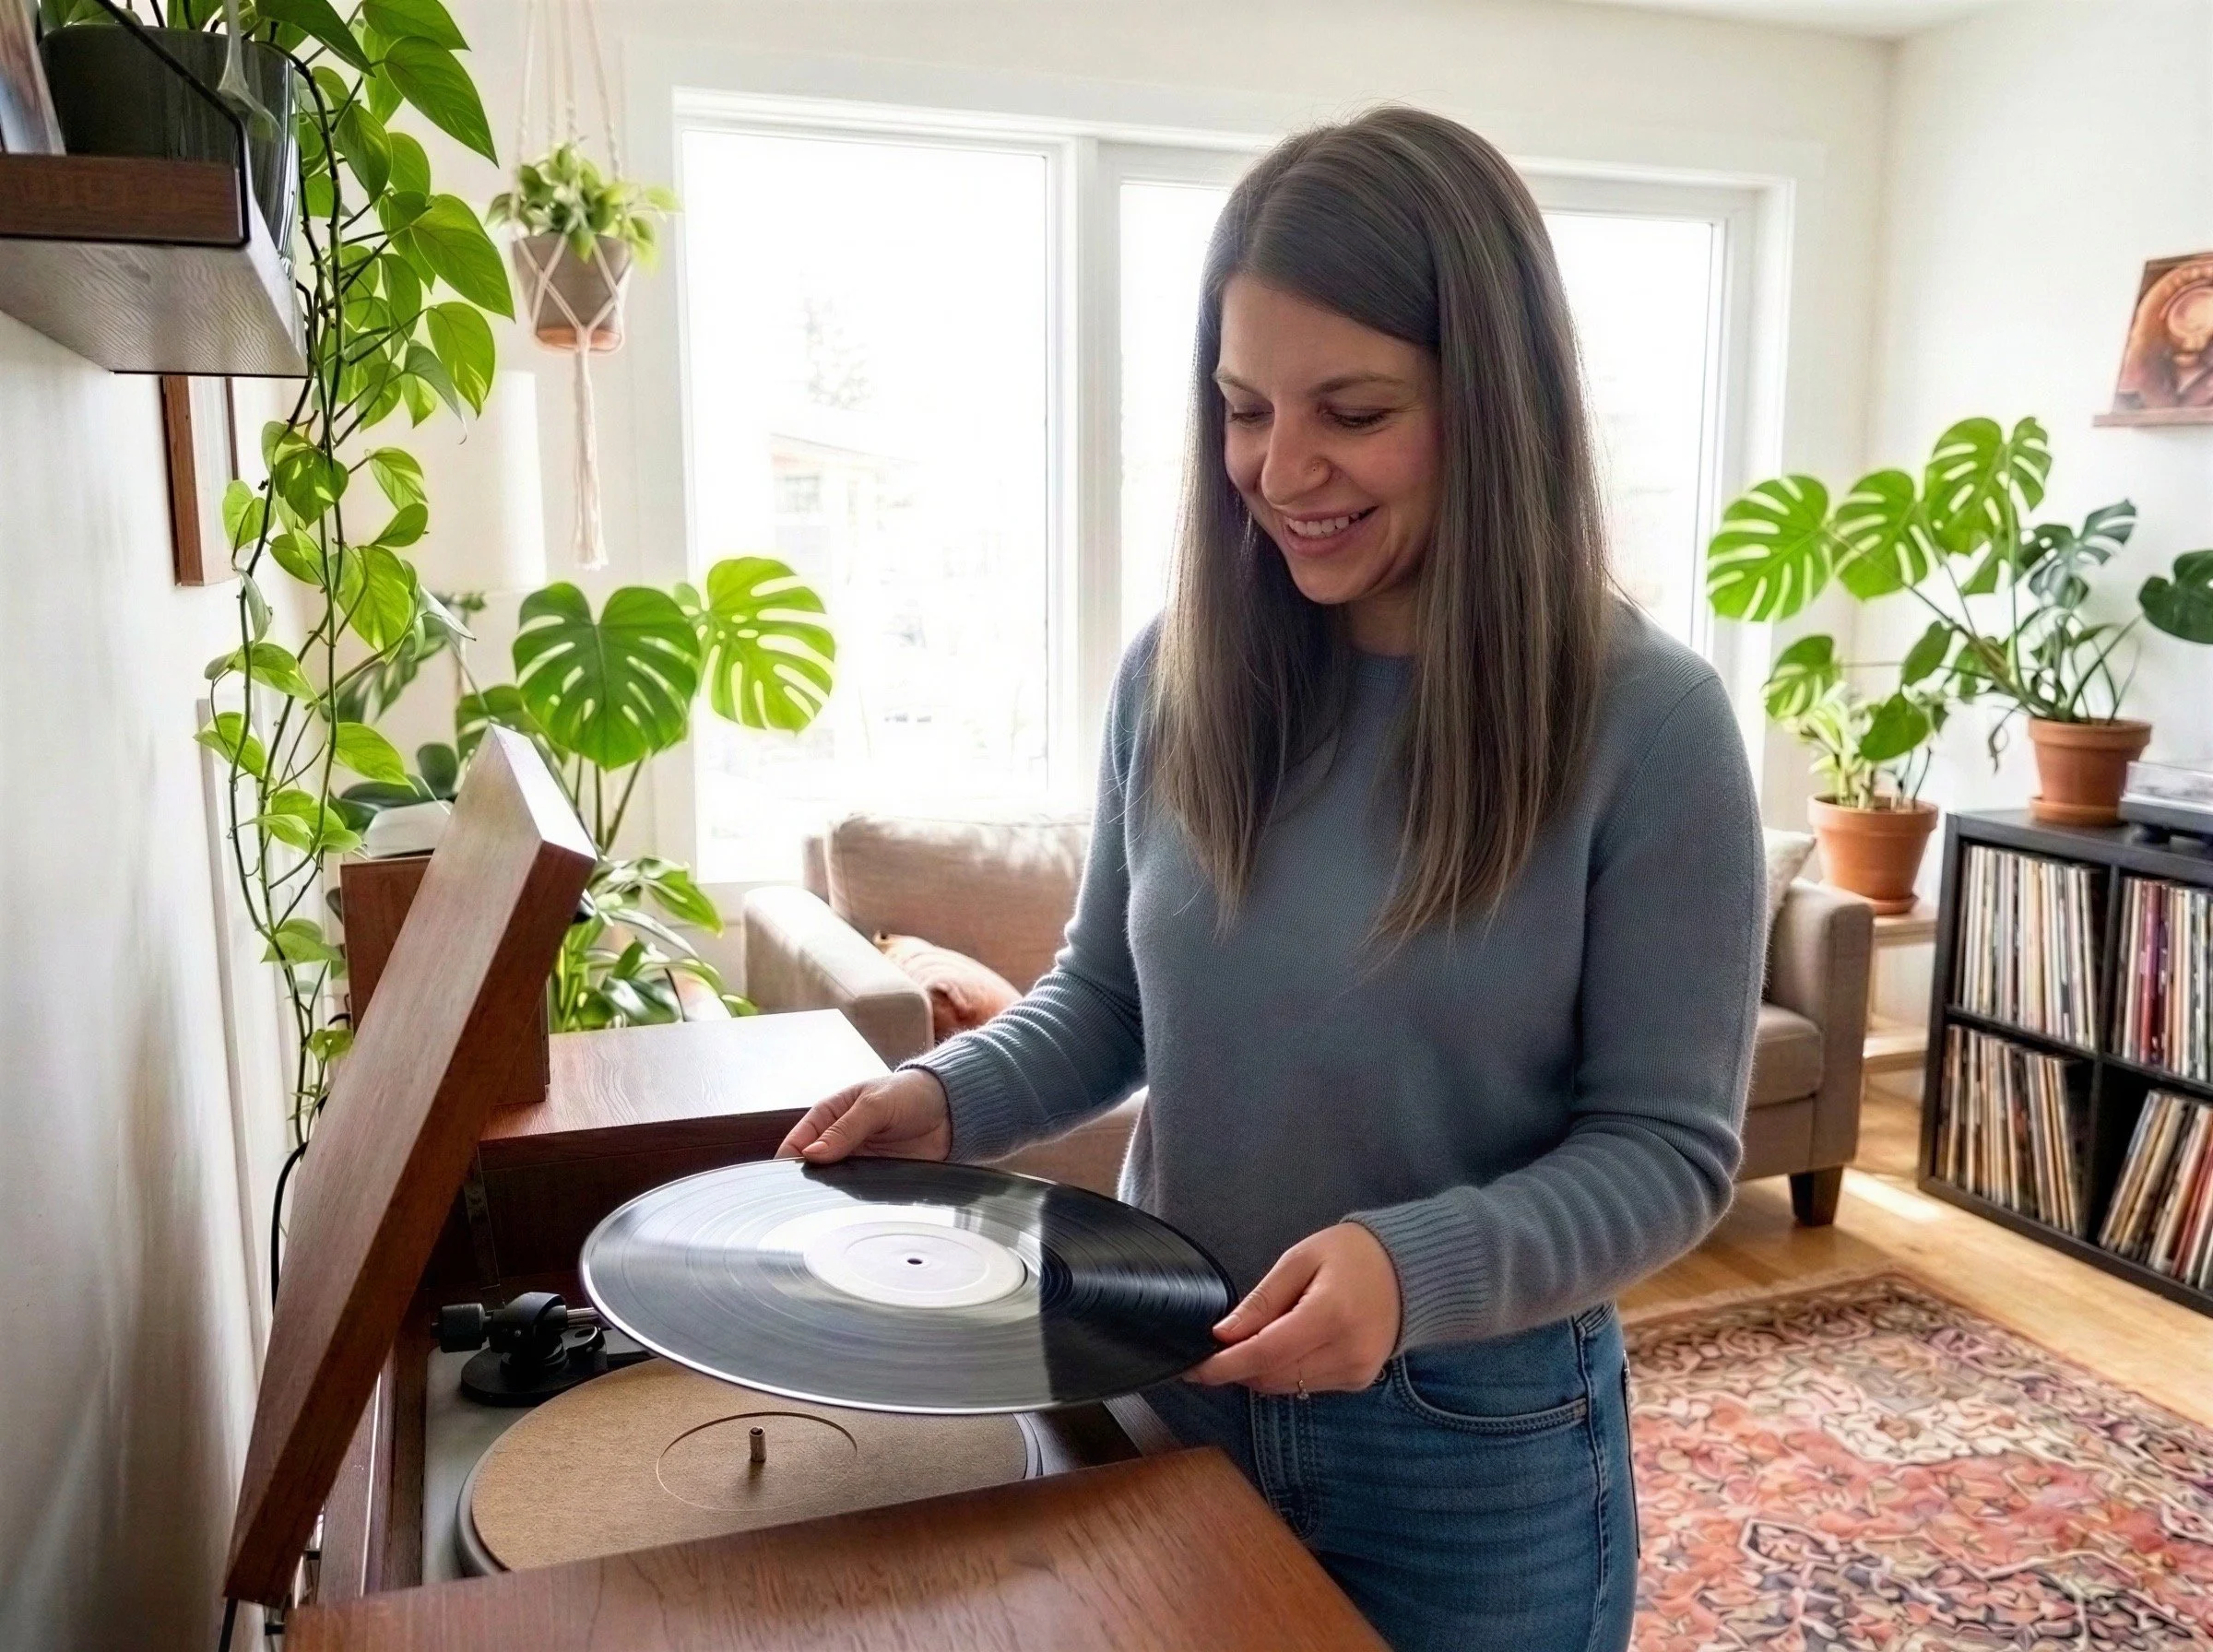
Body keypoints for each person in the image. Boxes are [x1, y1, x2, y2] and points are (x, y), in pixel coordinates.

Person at [779, 104, 1765, 1652]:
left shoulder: (1653, 727)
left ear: (1494, 406)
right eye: (1242, 409)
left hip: (1470, 1448)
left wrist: (1405, 1267)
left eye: (1353, 412)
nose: (1280, 469)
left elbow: (1666, 1151)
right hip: (1163, 1376)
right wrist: (952, 1096)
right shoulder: (1177, 675)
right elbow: (1108, 1000)